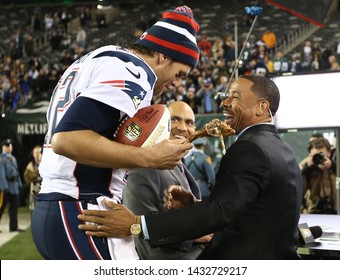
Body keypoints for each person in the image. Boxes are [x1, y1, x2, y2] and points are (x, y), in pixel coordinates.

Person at [31, 5, 199, 260]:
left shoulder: (102, 57)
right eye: (179, 74)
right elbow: (66, 139)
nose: (178, 83)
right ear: (164, 56)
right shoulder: (136, 71)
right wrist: (151, 157)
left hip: (62, 204)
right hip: (80, 207)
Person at [77, 75, 303, 260]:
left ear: (261, 107)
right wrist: (194, 205)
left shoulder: (249, 149)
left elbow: (220, 212)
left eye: (235, 97)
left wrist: (137, 225)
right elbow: (245, 209)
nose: (224, 103)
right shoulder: (284, 150)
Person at [123, 101, 212, 260]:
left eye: (190, 122)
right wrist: (192, 234)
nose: (183, 128)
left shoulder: (180, 166)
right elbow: (135, 228)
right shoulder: (144, 167)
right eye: (175, 119)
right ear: (160, 123)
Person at [301, 138, 337, 214]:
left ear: (329, 153)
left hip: (336, 209)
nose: (318, 158)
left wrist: (333, 166)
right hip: (313, 210)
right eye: (314, 155)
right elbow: (297, 190)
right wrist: (307, 169)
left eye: (321, 155)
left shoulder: (337, 163)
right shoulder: (305, 164)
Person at [0, 139, 24, 232]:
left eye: (10, 145)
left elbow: (17, 172)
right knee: (1, 207)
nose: (9, 147)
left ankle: (13, 226)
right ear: (3, 147)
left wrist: (20, 184)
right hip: (6, 186)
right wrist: (4, 187)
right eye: (7, 145)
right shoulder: (1, 159)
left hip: (13, 186)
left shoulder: (13, 158)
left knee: (14, 207)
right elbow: (1, 174)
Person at [23, 145, 42, 213]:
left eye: (39, 152)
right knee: (33, 210)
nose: (37, 154)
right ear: (33, 154)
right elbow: (27, 177)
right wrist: (36, 175)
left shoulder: (46, 164)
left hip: (44, 190)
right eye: (35, 152)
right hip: (33, 191)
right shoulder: (30, 165)